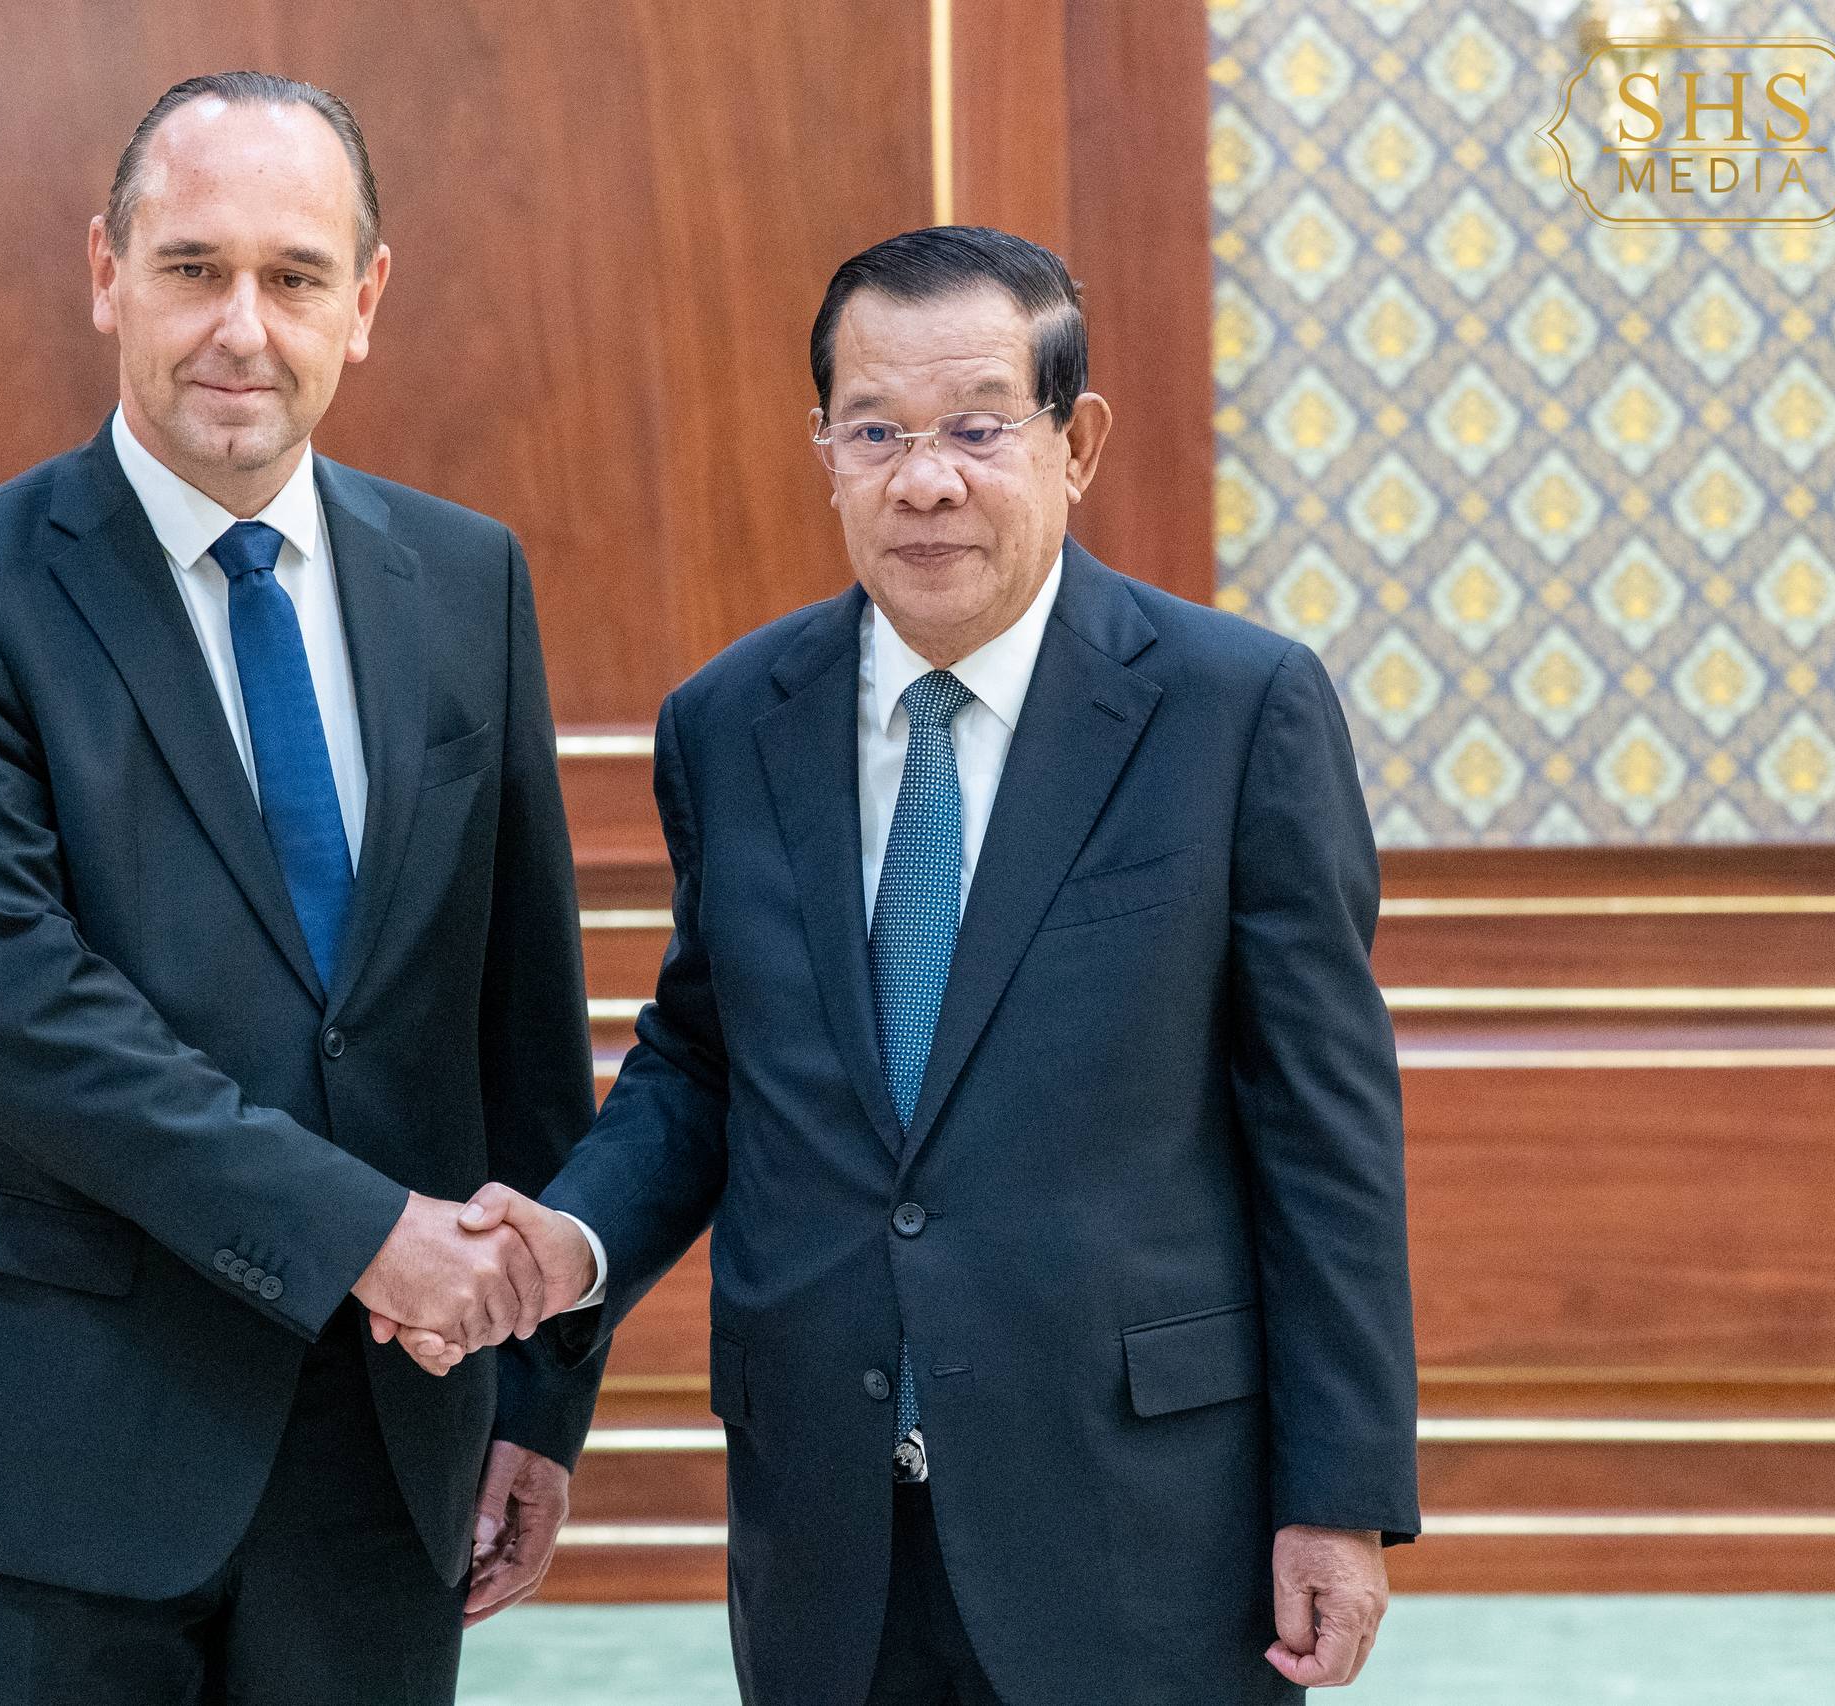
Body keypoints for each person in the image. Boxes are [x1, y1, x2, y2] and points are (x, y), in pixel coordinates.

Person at [410, 226, 1420, 1702]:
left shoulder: (1232, 710)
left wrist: (1339, 1493)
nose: (924, 479)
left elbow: (1325, 1130)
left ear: (1076, 444)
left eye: (977, 428)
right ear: (823, 449)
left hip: (1143, 1519)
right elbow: (704, 1063)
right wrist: (574, 1240)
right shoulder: (730, 723)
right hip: (829, 1524)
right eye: (875, 430)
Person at [0, 71, 603, 1704]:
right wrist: (367, 1233)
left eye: (294, 275)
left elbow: (520, 1013)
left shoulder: (468, 580)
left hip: (390, 1441)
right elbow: (18, 1018)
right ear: (106, 272)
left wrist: (542, 1393)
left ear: (365, 302)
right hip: (57, 1436)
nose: (241, 327)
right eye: (193, 267)